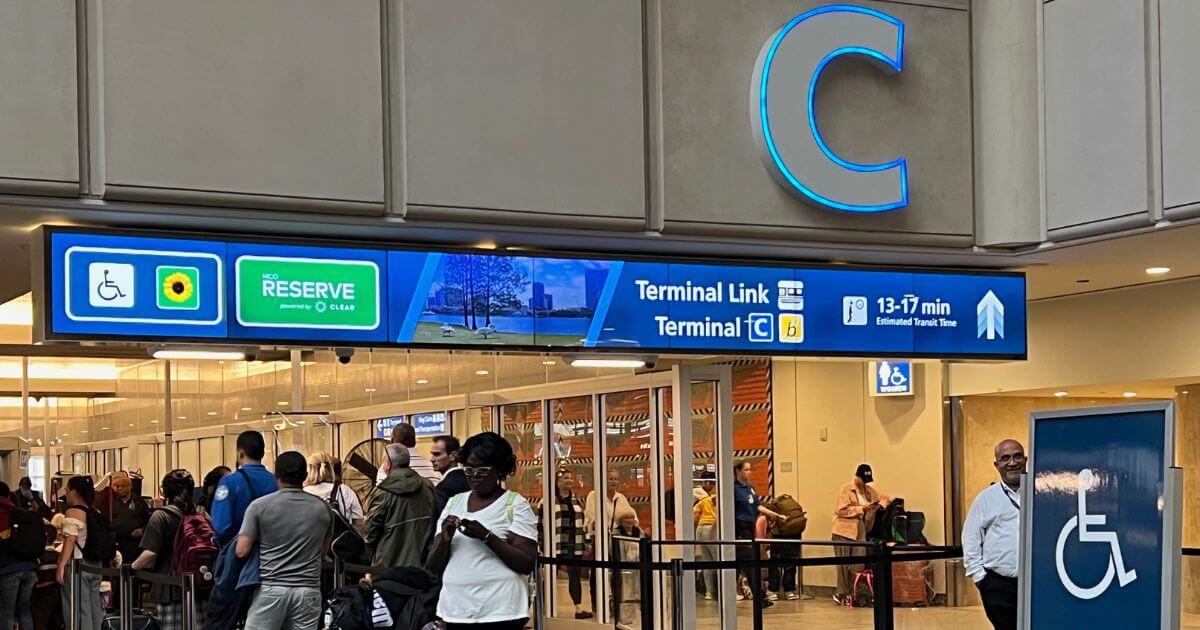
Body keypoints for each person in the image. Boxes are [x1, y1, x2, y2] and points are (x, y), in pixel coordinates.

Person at [426, 432, 537, 629]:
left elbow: (526, 562)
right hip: (456, 610)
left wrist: (486, 536)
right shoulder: (455, 502)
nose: (474, 475)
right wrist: (443, 539)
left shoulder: (515, 505)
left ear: (499, 470)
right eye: (469, 468)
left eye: (483, 469)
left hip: (500, 611)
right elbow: (433, 567)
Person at [236, 451, 333, 630]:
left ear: (276, 476)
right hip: (308, 591)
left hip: (271, 590)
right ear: (304, 476)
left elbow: (241, 550)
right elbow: (323, 552)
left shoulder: (259, 507)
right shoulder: (323, 509)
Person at [206, 431, 277, 630]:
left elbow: (221, 526)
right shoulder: (276, 482)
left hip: (238, 561)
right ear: (263, 452)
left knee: (220, 619)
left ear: (240, 453)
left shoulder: (230, 483)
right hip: (272, 562)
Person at [131, 470, 207, 630]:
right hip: (199, 586)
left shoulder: (160, 516)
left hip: (169, 588)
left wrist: (130, 568)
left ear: (165, 491)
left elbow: (150, 553)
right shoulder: (201, 514)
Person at [963, 439, 1025, 630]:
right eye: (1005, 458)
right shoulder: (986, 499)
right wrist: (981, 578)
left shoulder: (1041, 492)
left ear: (1026, 459)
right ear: (997, 465)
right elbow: (971, 539)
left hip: (1038, 584)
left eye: (1017, 456)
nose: (1012, 462)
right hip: (998, 585)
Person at [364, 444, 436, 568]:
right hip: (423, 564)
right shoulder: (428, 486)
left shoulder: (382, 492)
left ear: (387, 464)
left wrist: (372, 557)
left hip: (389, 565)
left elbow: (370, 533)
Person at [832, 464, 891, 605]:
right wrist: (862, 509)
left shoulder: (869, 491)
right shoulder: (846, 489)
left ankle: (854, 592)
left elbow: (885, 498)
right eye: (862, 479)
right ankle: (841, 592)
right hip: (844, 529)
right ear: (857, 476)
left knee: (858, 562)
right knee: (843, 564)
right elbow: (841, 511)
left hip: (860, 529)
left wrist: (881, 504)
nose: (864, 483)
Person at [542, 469, 593, 620]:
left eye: (571, 477)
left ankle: (579, 609)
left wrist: (586, 542)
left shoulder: (576, 501)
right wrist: (541, 544)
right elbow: (540, 524)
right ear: (557, 482)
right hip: (556, 545)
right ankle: (546, 608)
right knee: (551, 576)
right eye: (565, 478)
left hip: (574, 544)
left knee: (575, 576)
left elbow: (583, 522)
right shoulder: (548, 501)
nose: (569, 480)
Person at [57, 476, 105, 630]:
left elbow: (70, 540)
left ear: (74, 492)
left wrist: (61, 565)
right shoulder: (95, 511)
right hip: (96, 566)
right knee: (94, 608)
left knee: (79, 608)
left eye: (67, 490)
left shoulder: (73, 511)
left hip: (79, 566)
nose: (66, 494)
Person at [733, 461, 782, 607]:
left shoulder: (750, 488)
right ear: (738, 471)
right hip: (739, 528)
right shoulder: (733, 488)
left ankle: (723, 592)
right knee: (748, 563)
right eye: (746, 470)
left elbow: (757, 506)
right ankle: (759, 597)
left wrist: (776, 515)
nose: (749, 472)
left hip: (749, 526)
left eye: (750, 469)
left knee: (742, 564)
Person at [423, 435, 470, 559]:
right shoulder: (469, 481)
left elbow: (436, 523)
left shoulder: (444, 488)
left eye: (437, 454)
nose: (432, 459)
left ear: (452, 456)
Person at [0, 482, 38, 630]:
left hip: (9, 570)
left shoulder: (2, 512)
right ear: (9, 495)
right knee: (24, 610)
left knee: (6, 612)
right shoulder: (18, 512)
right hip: (31, 567)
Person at [303, 452, 364, 530]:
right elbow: (358, 523)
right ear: (331, 468)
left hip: (313, 540)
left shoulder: (304, 492)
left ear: (310, 469)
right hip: (340, 540)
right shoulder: (345, 490)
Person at [108, 472, 151, 568]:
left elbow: (149, 521)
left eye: (122, 486)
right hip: (117, 544)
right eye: (117, 486)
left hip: (133, 545)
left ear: (129, 487)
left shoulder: (140, 502)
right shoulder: (113, 502)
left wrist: (142, 530)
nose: (118, 488)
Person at [693, 472, 719, 601]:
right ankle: (720, 590)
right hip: (711, 529)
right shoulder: (718, 499)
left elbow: (694, 514)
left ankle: (709, 592)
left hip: (700, 529)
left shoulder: (704, 500)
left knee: (707, 562)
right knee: (719, 562)